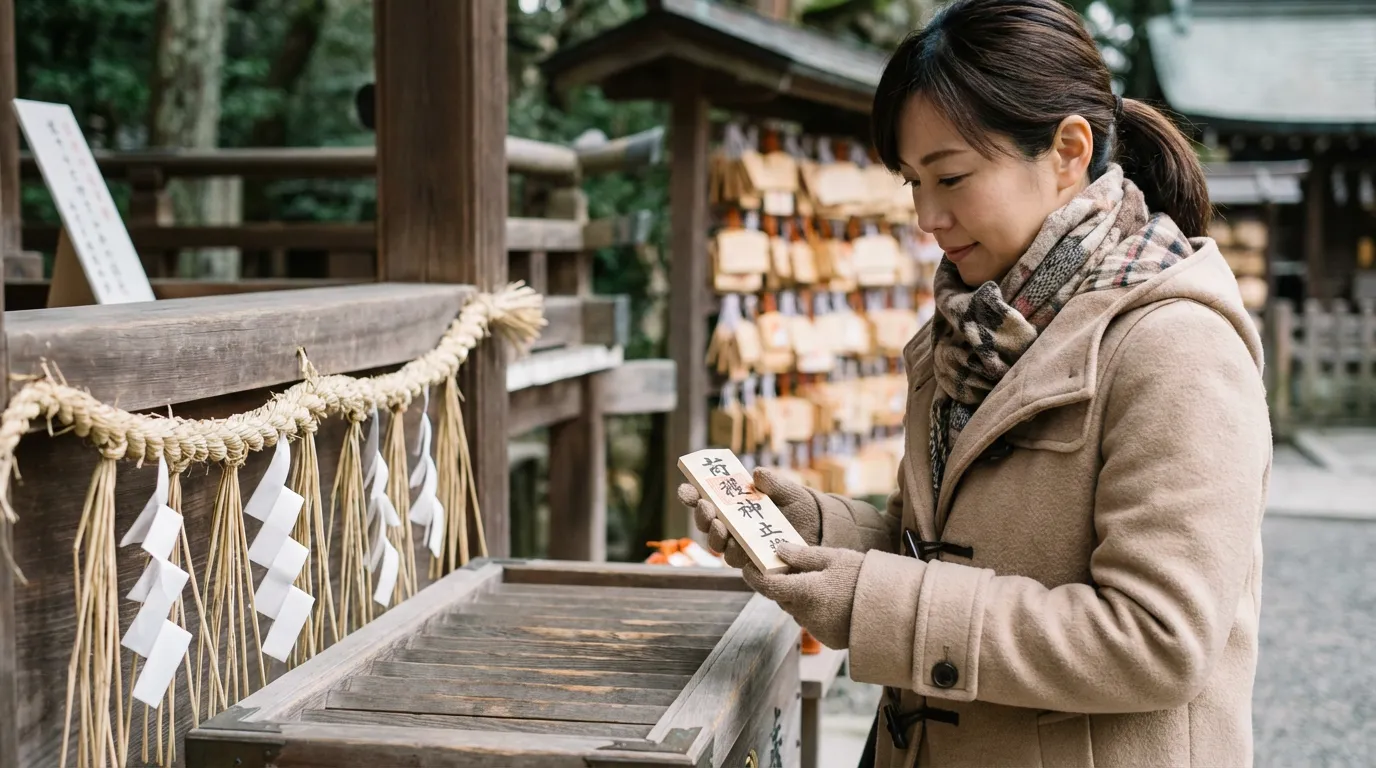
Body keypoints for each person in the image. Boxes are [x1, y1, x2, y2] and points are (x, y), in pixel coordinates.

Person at [678, 1, 1272, 765]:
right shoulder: (967, 334)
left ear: (1066, 149)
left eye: (951, 176)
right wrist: (813, 531)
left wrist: (871, 602)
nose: (927, 216)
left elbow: (1156, 641)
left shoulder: (1176, 346)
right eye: (911, 182)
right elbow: (947, 559)